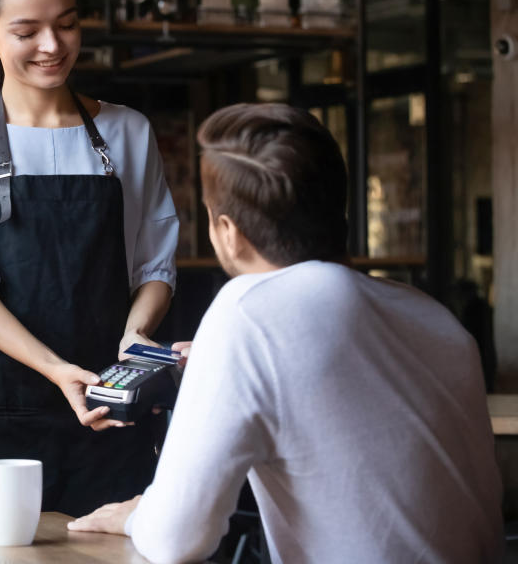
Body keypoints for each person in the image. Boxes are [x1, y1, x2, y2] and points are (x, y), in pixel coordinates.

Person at [68, 104, 503, 563]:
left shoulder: (246, 311)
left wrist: (137, 515)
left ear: (228, 232)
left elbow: (179, 539)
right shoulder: (435, 316)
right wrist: (227, 364)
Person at [0, 0, 179, 518]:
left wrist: (136, 337)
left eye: (66, 25)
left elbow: (155, 266)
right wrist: (56, 370)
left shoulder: (128, 131)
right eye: (27, 30)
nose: (52, 46)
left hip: (106, 403)